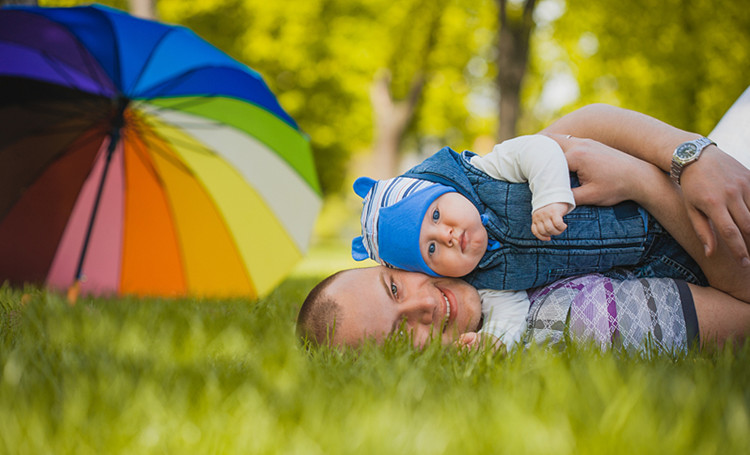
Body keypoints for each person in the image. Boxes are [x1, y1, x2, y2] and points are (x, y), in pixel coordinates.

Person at [298, 87, 750, 351]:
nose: (423, 307)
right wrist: (642, 181)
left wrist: (691, 156)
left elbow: (583, 128)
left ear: (395, 264)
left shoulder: (480, 207)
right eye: (401, 334)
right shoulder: (562, 322)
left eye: (394, 287)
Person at [350, 135, 704, 295]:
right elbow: (508, 312)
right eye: (431, 249)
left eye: (437, 214)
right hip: (650, 262)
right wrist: (497, 341)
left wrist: (549, 197)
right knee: (706, 269)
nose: (446, 235)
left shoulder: (487, 171)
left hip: (632, 204)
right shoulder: (481, 282)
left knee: (708, 220)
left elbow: (539, 149)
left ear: (448, 189)